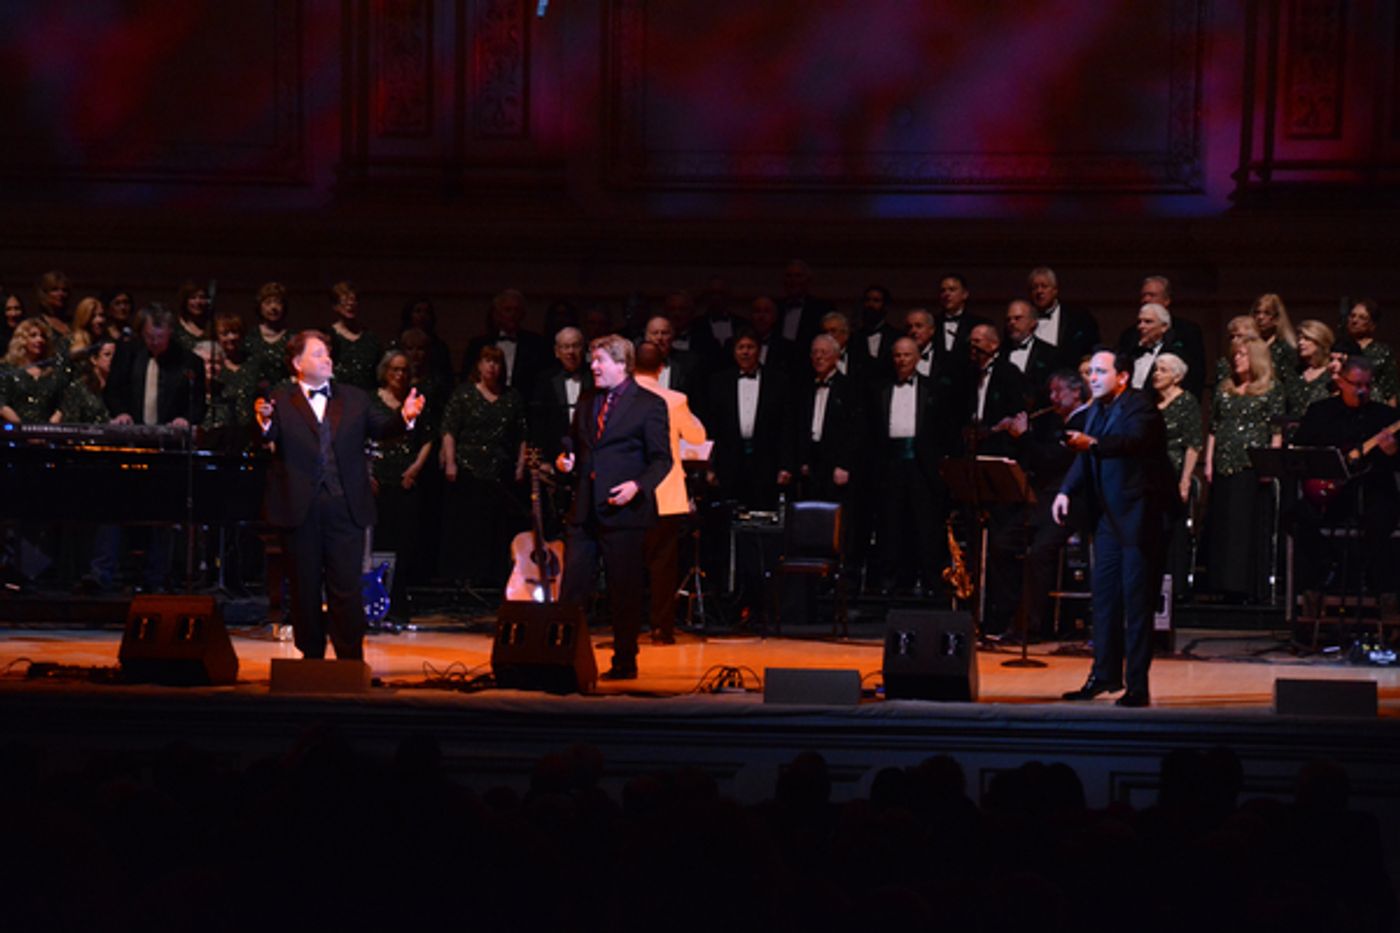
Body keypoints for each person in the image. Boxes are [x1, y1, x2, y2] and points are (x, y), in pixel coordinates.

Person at [255, 330, 424, 660]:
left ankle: (349, 661)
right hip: (299, 509)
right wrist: (263, 422)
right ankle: (311, 659)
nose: (327, 359)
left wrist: (405, 417)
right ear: (297, 363)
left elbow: (382, 428)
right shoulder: (281, 398)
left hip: (345, 507)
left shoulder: (355, 398)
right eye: (318, 354)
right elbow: (267, 436)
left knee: (346, 587)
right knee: (304, 588)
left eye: (328, 353)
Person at [1054, 349, 1173, 707]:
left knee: (1136, 602)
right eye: (1090, 371)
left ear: (1122, 377)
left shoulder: (1141, 406)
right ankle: (1104, 675)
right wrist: (1065, 490)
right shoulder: (1095, 410)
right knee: (1104, 598)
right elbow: (1083, 457)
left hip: (1138, 515)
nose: (1092, 378)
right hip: (1107, 517)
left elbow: (1134, 442)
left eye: (1101, 372)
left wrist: (1092, 443)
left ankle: (1137, 685)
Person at [556, 334, 672, 681]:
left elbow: (662, 459)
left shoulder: (649, 405)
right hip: (585, 509)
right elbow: (573, 438)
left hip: (624, 512)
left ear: (622, 364)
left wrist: (637, 486)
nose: (592, 366)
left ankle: (625, 660)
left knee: (624, 591)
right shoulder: (587, 398)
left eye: (600, 361)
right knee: (573, 588)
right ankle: (562, 659)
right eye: (592, 360)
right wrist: (566, 456)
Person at [1291, 356, 1400, 619]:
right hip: (1331, 494)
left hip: (1372, 491)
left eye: (1367, 385)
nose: (1362, 391)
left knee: (1382, 519)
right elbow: (1302, 449)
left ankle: (1386, 599)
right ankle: (1314, 587)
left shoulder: (1385, 416)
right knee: (1298, 517)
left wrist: (1393, 452)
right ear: (1341, 382)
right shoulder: (1321, 412)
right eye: (1356, 385)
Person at [869, 337, 956, 597]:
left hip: (922, 466)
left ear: (917, 358)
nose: (902, 360)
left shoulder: (933, 388)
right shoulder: (879, 388)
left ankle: (931, 584)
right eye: (897, 355)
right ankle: (892, 584)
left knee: (925, 524)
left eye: (907, 355)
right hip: (890, 464)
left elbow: (944, 430)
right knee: (891, 524)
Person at [635, 341, 707, 644]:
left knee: (628, 562)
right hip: (666, 491)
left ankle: (626, 626)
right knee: (663, 564)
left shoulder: (620, 397)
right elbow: (697, 437)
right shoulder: (675, 399)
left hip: (629, 490)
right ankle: (661, 628)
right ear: (662, 369)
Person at [439, 345, 528, 588]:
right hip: (467, 469)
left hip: (499, 470)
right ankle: (464, 578)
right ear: (478, 365)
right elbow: (449, 430)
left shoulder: (511, 397)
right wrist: (450, 462)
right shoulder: (464, 394)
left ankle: (492, 578)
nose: (492, 366)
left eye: (496, 362)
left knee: (495, 526)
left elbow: (522, 434)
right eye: (487, 361)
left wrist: (521, 465)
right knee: (467, 526)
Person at [1204, 336, 1283, 602]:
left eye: (1242, 355)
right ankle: (1219, 583)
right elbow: (1214, 427)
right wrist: (1209, 461)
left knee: (1243, 525)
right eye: (1235, 354)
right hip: (1223, 462)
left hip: (1251, 464)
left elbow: (1276, 431)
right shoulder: (1224, 388)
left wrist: (1271, 464)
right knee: (1222, 523)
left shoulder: (1270, 389)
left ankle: (1243, 585)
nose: (1236, 359)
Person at [371, 350, 433, 621]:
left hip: (405, 478)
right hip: (377, 480)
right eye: (395, 369)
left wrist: (416, 468)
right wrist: (366, 474)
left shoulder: (415, 400)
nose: (399, 375)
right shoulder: (372, 401)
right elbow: (363, 438)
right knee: (377, 541)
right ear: (385, 371)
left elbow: (428, 437)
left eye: (404, 370)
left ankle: (397, 603)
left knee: (403, 543)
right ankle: (374, 599)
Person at [704, 328, 787, 510]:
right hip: (729, 461)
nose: (745, 352)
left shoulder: (778, 381)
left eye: (750, 347)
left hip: (766, 461)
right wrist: (710, 466)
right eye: (741, 347)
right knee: (729, 514)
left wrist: (784, 466)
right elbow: (712, 426)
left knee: (762, 512)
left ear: (759, 350)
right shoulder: (718, 382)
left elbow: (785, 427)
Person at [1154, 353, 1204, 599]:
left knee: (1172, 529)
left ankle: (1175, 586)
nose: (1156, 374)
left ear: (1177, 377)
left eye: (1163, 370)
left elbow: (1193, 444)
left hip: (1172, 471)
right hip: (1149, 473)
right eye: (1156, 369)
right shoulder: (1151, 402)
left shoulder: (1187, 402)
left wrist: (1185, 480)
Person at [462, 288, 552, 400]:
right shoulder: (478, 344)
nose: (513, 314)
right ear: (497, 314)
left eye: (517, 310)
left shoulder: (536, 344)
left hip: (525, 403)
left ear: (523, 314)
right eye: (508, 310)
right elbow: (468, 378)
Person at [1027, 266, 1100, 370]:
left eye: (1044, 286)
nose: (1039, 291)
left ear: (1055, 290)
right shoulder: (1022, 319)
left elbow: (1093, 346)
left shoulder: (1078, 317)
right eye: (1034, 288)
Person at [0, 319, 67, 424]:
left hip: (48, 430)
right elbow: (1, 403)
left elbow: (62, 404)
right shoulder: (8, 369)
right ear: (22, 340)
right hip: (15, 429)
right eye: (33, 336)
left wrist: (49, 427)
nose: (40, 340)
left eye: (43, 336)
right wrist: (22, 427)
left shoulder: (52, 371)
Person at [1341, 299, 1399, 406]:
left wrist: (1392, 414)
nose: (1354, 320)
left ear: (1372, 324)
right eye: (1352, 316)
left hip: (1375, 406)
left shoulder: (1382, 352)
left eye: (1362, 318)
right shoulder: (1339, 348)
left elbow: (1391, 390)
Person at [328, 281, 383, 392]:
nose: (350, 304)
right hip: (338, 394)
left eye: (353, 300)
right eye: (345, 301)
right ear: (335, 306)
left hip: (366, 395)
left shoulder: (370, 338)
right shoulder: (328, 337)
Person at [245, 282, 292, 392]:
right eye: (268, 303)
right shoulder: (250, 337)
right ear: (260, 307)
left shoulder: (292, 338)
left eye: (278, 302)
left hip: (284, 393)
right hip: (254, 394)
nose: (273, 307)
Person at [1290, 319, 1336, 415]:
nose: (1300, 342)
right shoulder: (1295, 373)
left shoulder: (1332, 373)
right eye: (1299, 339)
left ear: (1320, 341)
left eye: (1306, 339)